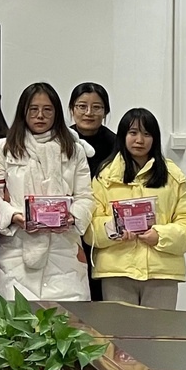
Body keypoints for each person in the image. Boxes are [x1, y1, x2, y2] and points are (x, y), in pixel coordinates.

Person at [85, 108, 186, 309]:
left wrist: (160, 235)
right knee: (120, 329)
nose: (139, 140)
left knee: (159, 329)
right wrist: (114, 229)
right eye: (133, 133)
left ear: (155, 138)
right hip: (117, 270)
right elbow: (89, 229)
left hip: (162, 272)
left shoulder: (173, 176)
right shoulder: (104, 177)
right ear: (122, 136)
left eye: (147, 134)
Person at [0, 82, 94, 301]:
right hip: (15, 249)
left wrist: (73, 216)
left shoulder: (74, 150)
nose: (40, 116)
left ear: (56, 113)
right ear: (23, 112)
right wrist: (14, 216)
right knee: (14, 316)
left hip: (62, 249)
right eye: (33, 109)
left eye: (47, 110)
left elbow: (85, 196)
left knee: (67, 318)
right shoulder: (3, 148)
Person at [69, 81, 116, 301]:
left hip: (102, 227)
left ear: (105, 111)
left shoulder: (116, 145)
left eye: (97, 107)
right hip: (69, 223)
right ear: (72, 109)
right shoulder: (61, 140)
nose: (89, 113)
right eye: (82, 106)